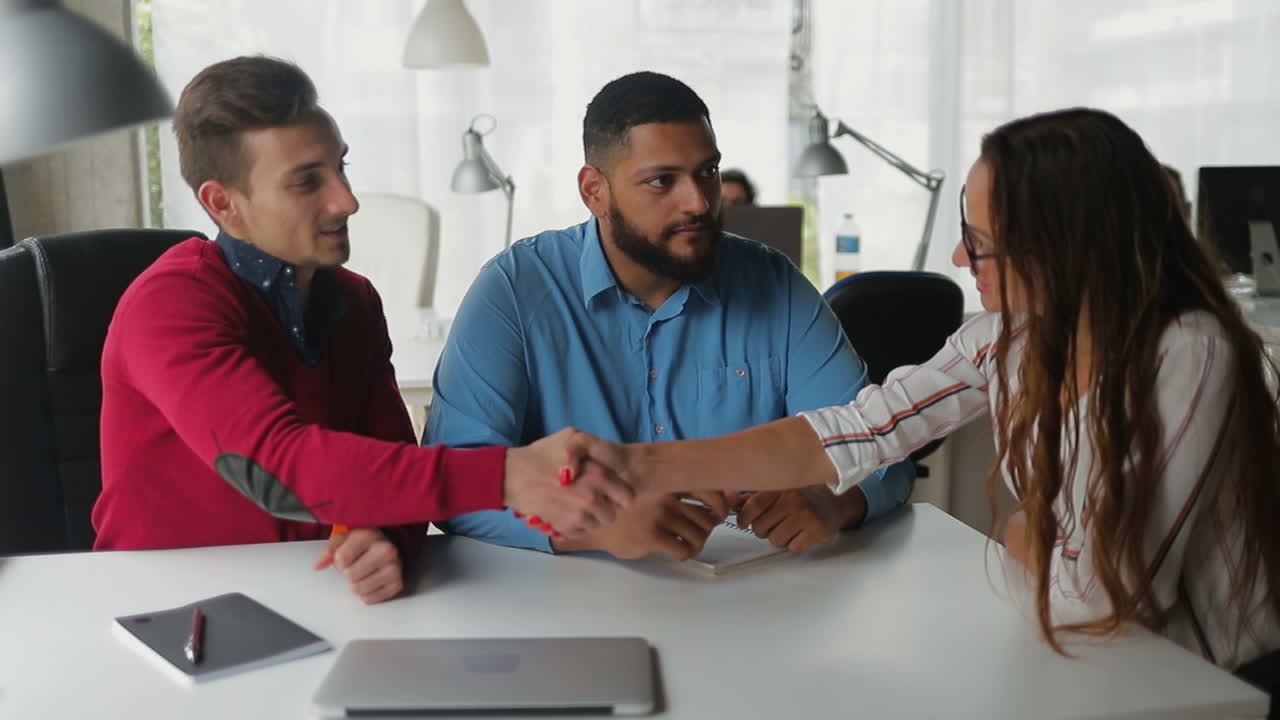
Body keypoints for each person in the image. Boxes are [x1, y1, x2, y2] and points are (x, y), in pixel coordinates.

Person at [568, 108, 1280, 680]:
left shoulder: (1188, 353)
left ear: (1067, 246)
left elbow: (1102, 598)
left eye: (981, 241)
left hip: (1210, 681)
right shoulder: (1007, 338)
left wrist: (1021, 532)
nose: (960, 259)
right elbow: (857, 430)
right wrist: (641, 466)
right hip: (1095, 666)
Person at [91, 56, 632, 605]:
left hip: (310, 601)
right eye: (307, 182)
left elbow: (391, 463)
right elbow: (276, 469)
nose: (346, 200)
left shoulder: (354, 302)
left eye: (340, 167)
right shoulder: (171, 304)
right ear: (222, 203)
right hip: (161, 609)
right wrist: (511, 475)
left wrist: (381, 537)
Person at [425, 71, 913, 559]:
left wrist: (836, 501)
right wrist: (594, 527)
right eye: (662, 181)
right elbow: (451, 483)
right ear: (594, 190)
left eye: (708, 172)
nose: (698, 203)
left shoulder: (776, 285)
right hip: (567, 594)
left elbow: (883, 448)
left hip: (754, 587)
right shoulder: (514, 290)